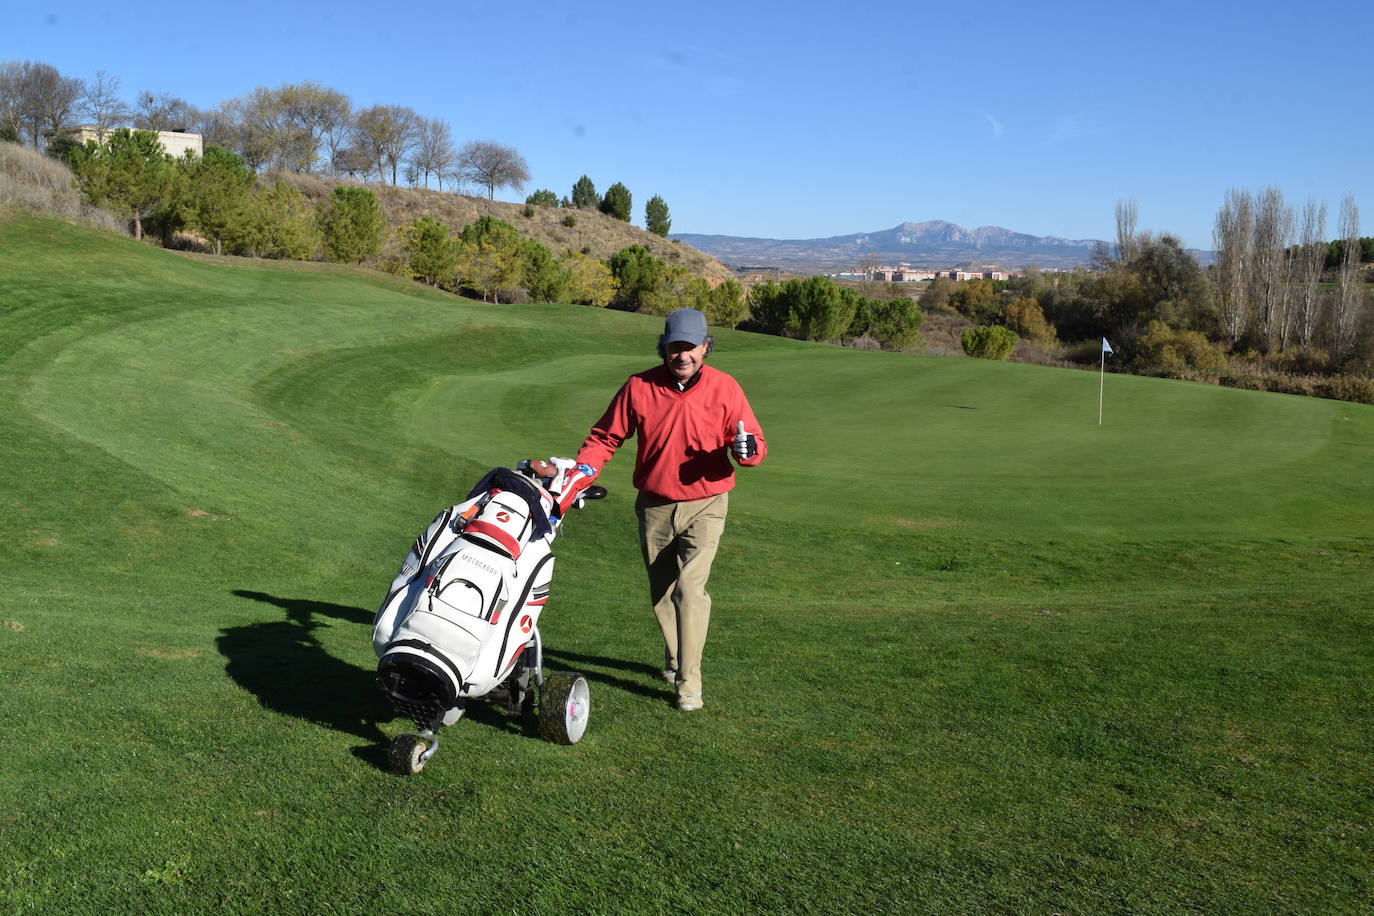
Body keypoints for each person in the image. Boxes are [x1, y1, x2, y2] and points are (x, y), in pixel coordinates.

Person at [572, 307, 767, 711]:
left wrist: (748, 453)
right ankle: (677, 657)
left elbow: (750, 441)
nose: (683, 356)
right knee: (662, 593)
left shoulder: (726, 388)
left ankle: (688, 683)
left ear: (706, 347)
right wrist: (582, 473)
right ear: (663, 348)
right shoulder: (639, 387)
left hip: (707, 503)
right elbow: (605, 437)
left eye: (691, 348)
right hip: (655, 506)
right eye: (675, 348)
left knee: (690, 589)